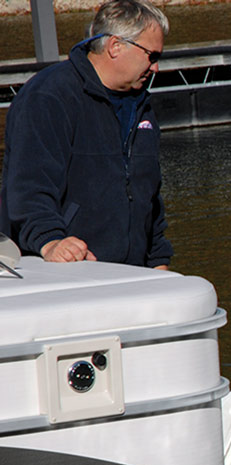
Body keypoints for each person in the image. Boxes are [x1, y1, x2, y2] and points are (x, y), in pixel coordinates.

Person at [0, 0, 173, 269]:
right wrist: (51, 241)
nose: (155, 68)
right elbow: (29, 186)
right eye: (152, 56)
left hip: (133, 278)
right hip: (66, 274)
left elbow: (150, 195)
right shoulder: (48, 96)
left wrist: (158, 262)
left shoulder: (142, 106)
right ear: (116, 46)